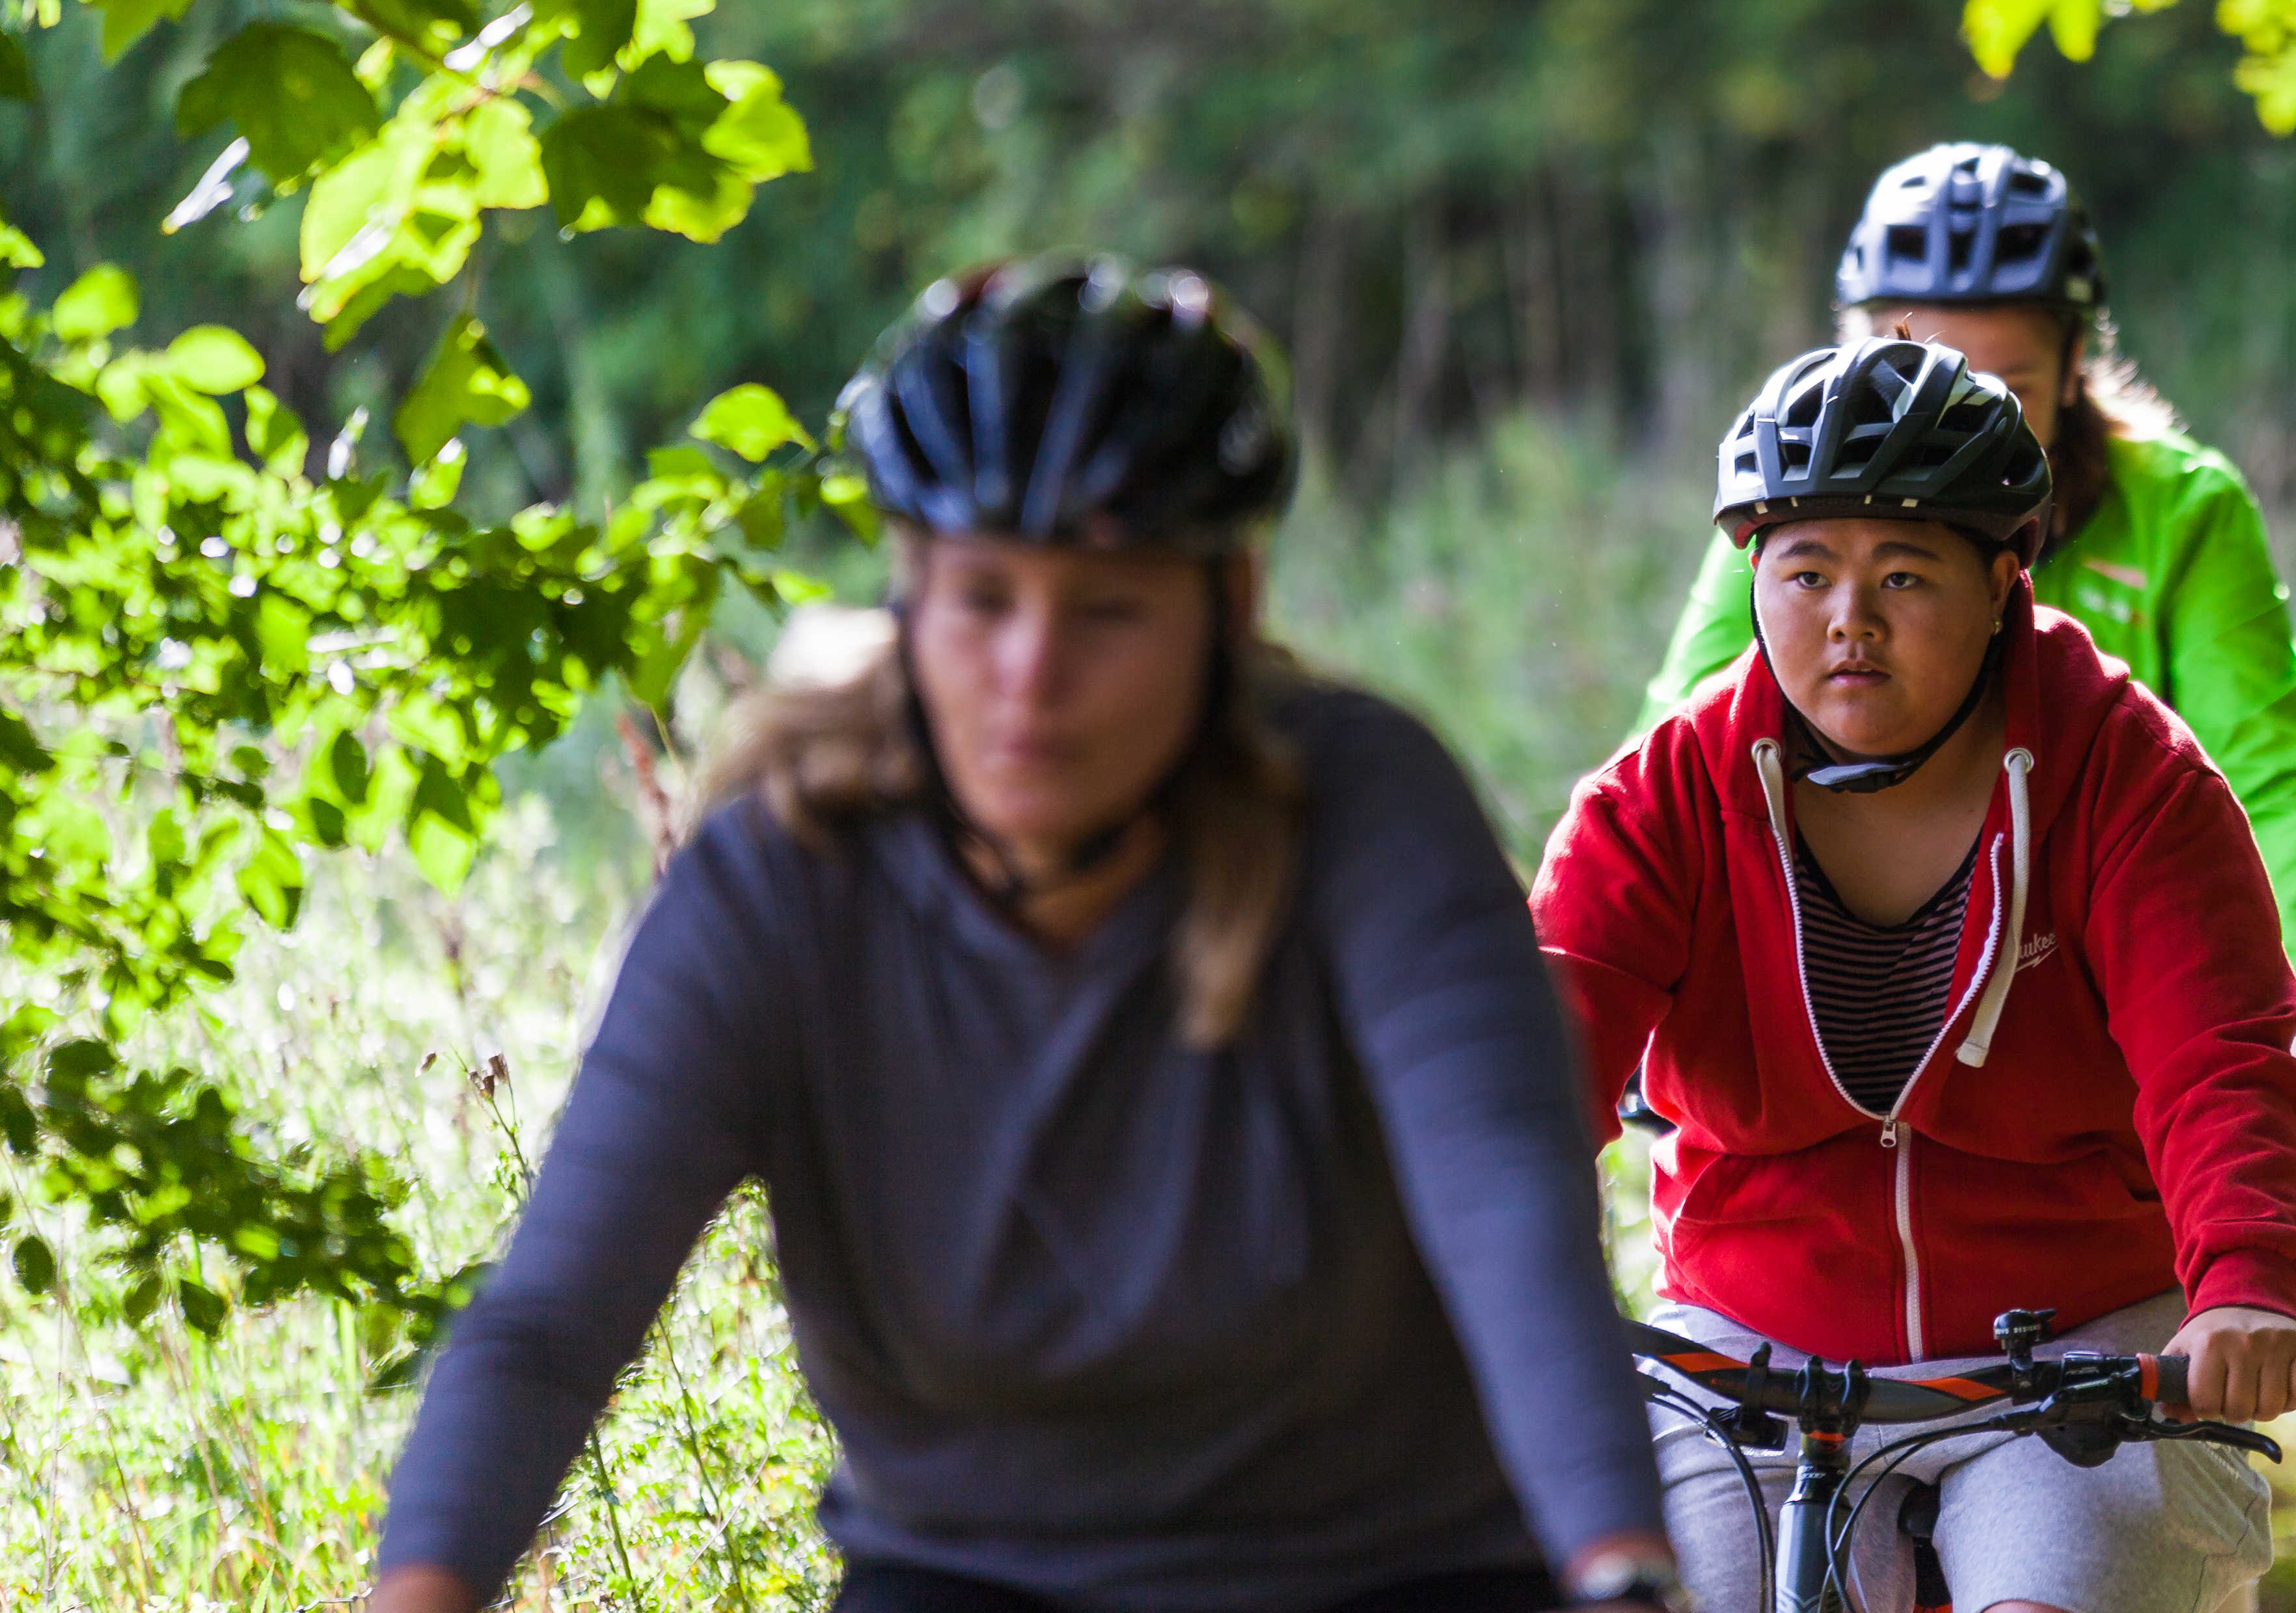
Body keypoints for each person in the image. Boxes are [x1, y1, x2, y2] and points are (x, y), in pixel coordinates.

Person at [367, 260, 1680, 1613]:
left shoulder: (1366, 812)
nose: (1030, 678)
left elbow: (1508, 1214)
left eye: (1107, 608)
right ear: (911, 602)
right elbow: (550, 1323)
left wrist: (1622, 1568)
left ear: (1226, 612)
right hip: (970, 1576)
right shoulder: (783, 881)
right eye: (984, 599)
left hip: (1393, 1570)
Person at [1540, 337, 2296, 1613]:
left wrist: (2246, 1281)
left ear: (2006, 577)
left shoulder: (2129, 773)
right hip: (1747, 1350)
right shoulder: (1666, 795)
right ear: (1753, 576)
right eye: (1806, 571)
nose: (1849, 617)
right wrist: (1437, 1258)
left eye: (1905, 572)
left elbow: (2221, 1056)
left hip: (2075, 1353)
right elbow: (1537, 1054)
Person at [1642, 142, 2296, 1128]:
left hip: (2121, 995)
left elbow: (2270, 771)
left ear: (2079, 364)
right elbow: (1687, 751)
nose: (1967, 419)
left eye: (2012, 386)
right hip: (1856, 992)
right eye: (1924, 372)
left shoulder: (2181, 509)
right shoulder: (1798, 505)